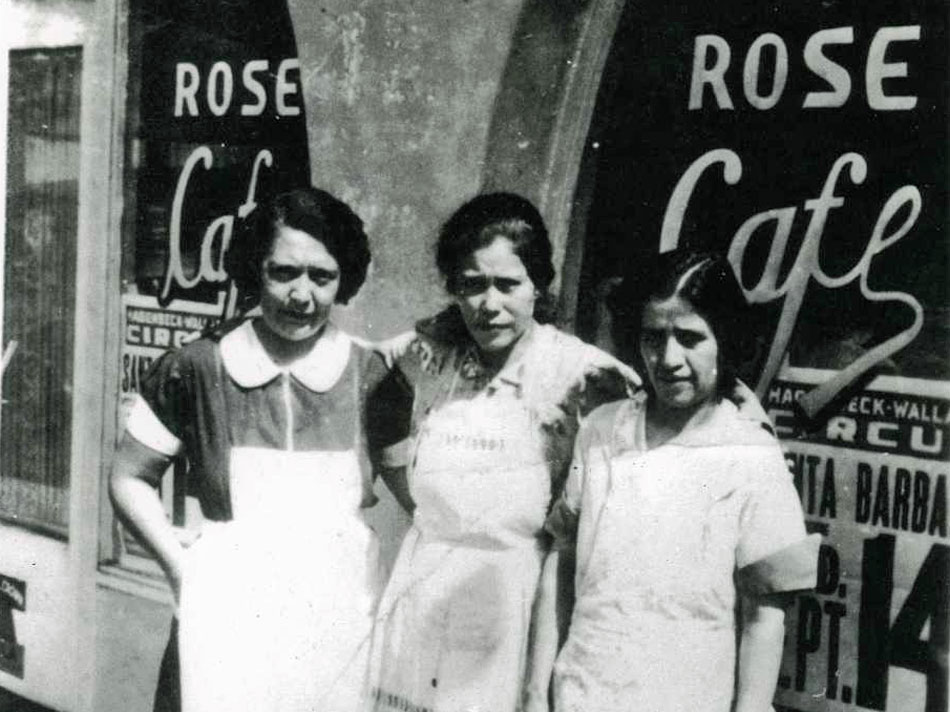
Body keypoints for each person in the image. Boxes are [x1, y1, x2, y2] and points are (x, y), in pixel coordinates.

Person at [110, 187, 399, 712]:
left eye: (322, 276)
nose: (302, 295)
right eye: (283, 272)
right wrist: (182, 568)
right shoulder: (200, 367)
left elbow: (427, 498)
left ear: (345, 277)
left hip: (336, 619)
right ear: (253, 269)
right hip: (227, 613)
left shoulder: (372, 377)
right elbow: (128, 478)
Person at [367, 192, 640, 712]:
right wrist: (421, 505)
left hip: (514, 602)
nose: (488, 305)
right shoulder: (430, 357)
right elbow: (365, 381)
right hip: (420, 595)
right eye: (472, 285)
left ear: (538, 285)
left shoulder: (579, 372)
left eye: (507, 284)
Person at [531, 250, 820, 712]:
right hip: (581, 692)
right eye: (653, 337)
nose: (668, 358)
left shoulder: (751, 454)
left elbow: (764, 618)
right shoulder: (602, 430)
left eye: (689, 338)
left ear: (724, 340)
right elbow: (561, 563)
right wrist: (533, 694)